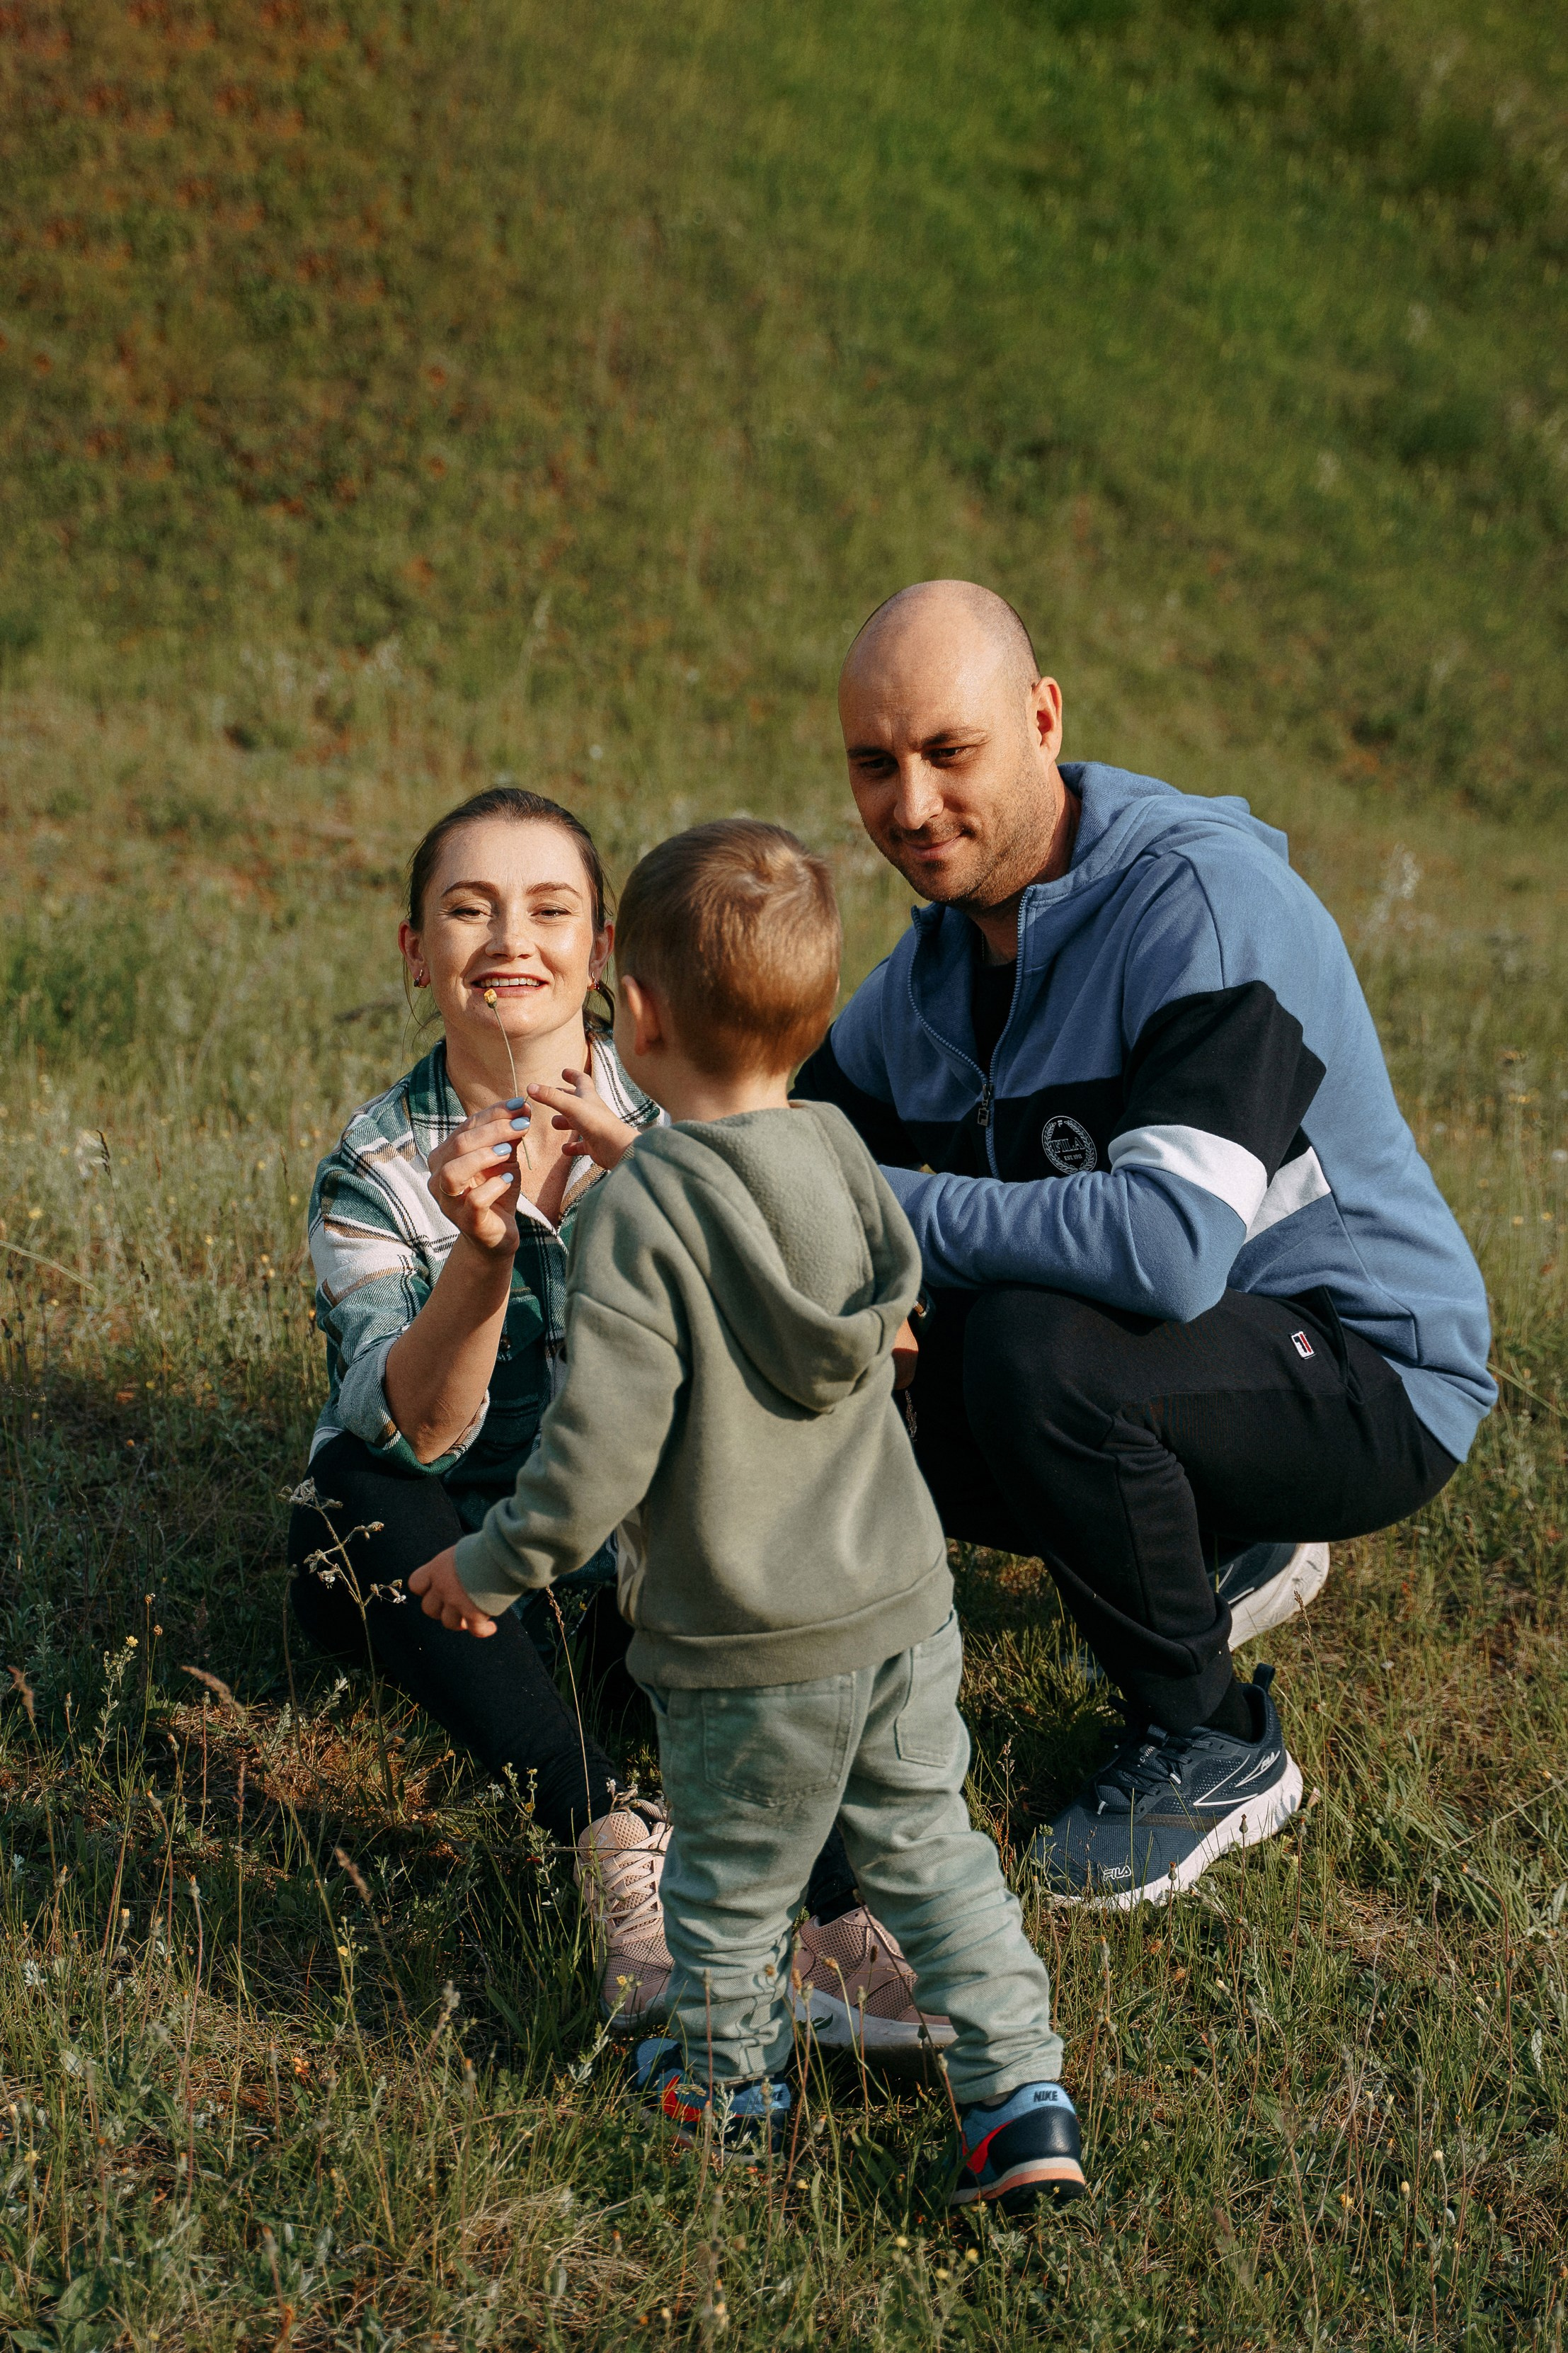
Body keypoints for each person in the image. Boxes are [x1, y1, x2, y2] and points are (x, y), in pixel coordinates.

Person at [409, 821, 1088, 2208]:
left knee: (727, 1883)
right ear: (815, 1013)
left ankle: (726, 2097)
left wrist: (490, 1563)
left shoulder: (630, 1225)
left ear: (635, 1011)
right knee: (932, 1848)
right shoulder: (841, 1156)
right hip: (898, 1607)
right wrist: (652, 1164)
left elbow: (597, 1457)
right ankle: (1019, 2097)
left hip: (742, 1642)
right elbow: (886, 1310)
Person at [794, 580, 1494, 1908]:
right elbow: (786, 1129)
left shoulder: (1205, 907)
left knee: (1021, 1345)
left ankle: (1212, 1745)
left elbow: (1168, 1252)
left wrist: (863, 1204)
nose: (912, 806)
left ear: (1043, 718)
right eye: (874, 765)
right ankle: (1219, 1535)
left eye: (951, 752)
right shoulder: (938, 960)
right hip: (1200, 1368)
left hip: (1373, 1377)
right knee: (838, 1394)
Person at [289, 785, 676, 2014]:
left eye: (550, 910)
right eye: (470, 909)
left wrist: (648, 1187)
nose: (512, 940)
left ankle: (843, 1894)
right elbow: (420, 1431)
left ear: (601, 950)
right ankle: (608, 1835)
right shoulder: (375, 1169)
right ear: (417, 955)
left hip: (652, 1561)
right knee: (341, 1508)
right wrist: (483, 1258)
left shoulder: (685, 1115)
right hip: (461, 1565)